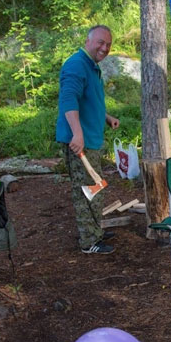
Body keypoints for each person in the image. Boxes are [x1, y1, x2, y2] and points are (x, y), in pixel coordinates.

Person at [56, 25, 120, 254]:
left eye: (108, 45)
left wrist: (107, 117)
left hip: (91, 139)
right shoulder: (76, 65)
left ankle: (95, 231)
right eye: (100, 42)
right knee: (87, 189)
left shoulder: (92, 67)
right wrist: (77, 133)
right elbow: (68, 101)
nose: (104, 48)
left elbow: (88, 101)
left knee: (95, 187)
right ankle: (89, 242)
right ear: (88, 41)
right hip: (79, 142)